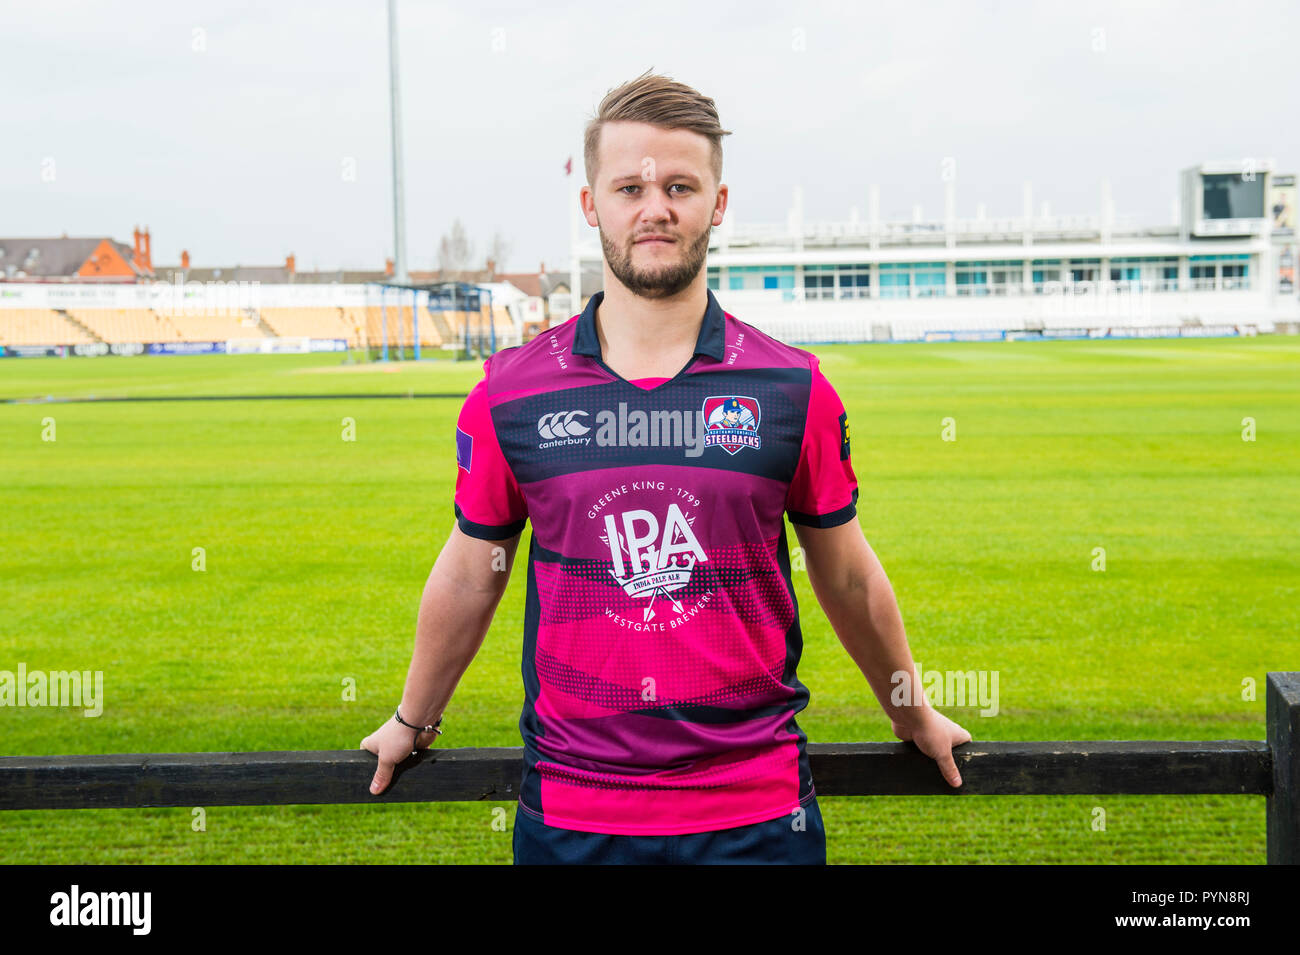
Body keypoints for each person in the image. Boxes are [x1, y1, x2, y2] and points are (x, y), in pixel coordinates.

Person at [361, 70, 971, 865]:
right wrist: (413, 718)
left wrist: (912, 710)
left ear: (717, 203)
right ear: (592, 206)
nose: (655, 207)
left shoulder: (794, 389)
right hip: (574, 816)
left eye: (680, 185)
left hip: (758, 818)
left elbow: (848, 574)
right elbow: (475, 570)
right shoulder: (509, 393)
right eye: (630, 186)